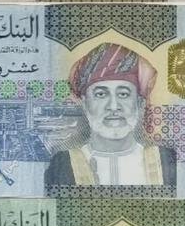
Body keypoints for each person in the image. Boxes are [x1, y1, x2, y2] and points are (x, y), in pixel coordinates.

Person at [44, 42, 176, 187]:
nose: (113, 106)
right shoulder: (61, 167)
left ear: (138, 103)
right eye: (101, 94)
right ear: (85, 104)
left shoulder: (167, 161)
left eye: (123, 94)